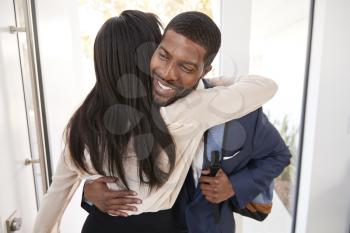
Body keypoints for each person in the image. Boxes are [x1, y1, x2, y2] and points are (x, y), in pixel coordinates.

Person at [33, 10, 277, 233]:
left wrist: (86, 191)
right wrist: (210, 80)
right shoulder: (186, 111)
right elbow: (264, 86)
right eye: (160, 52)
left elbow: (56, 194)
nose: (167, 69)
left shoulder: (83, 123)